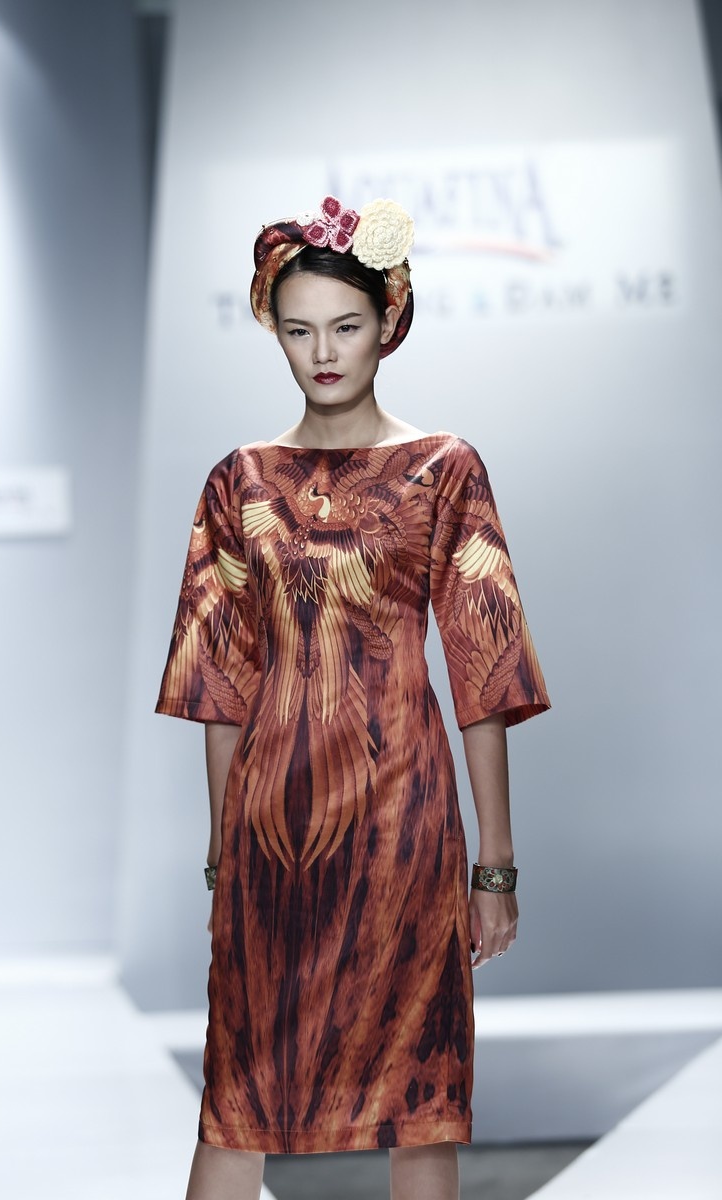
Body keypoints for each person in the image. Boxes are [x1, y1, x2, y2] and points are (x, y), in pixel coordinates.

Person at [156, 195, 550, 1200]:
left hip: (403, 822)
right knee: (238, 1090)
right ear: (274, 332)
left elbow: (483, 672)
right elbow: (219, 685)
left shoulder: (442, 469)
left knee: (421, 1092)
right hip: (270, 825)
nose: (322, 352)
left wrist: (494, 865)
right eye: (298, 330)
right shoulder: (238, 481)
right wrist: (222, 853)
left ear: (387, 322)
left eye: (344, 326)